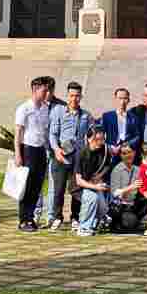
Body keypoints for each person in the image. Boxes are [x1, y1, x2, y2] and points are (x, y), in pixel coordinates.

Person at [45, 81, 91, 231]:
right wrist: (57, 150)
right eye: (71, 95)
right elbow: (52, 134)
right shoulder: (58, 112)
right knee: (58, 189)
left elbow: (92, 134)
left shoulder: (86, 115)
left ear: (81, 97)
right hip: (61, 156)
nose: (74, 99)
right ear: (67, 96)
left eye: (77, 96)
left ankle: (75, 217)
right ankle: (57, 217)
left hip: (78, 158)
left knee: (76, 188)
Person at [12, 76, 54, 231]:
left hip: (40, 149)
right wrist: (18, 154)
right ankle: (23, 220)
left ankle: (31, 217)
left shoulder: (45, 108)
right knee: (27, 185)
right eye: (44, 90)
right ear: (35, 90)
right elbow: (18, 133)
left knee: (37, 185)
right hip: (27, 148)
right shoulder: (24, 108)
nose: (46, 93)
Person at [71, 127, 116, 236]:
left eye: (102, 139)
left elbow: (107, 166)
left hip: (95, 184)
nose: (100, 142)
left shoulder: (105, 150)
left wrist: (99, 176)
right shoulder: (81, 154)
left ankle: (98, 221)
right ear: (89, 139)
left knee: (104, 209)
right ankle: (84, 227)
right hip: (80, 187)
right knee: (92, 198)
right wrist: (96, 187)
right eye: (97, 139)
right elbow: (79, 181)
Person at [108, 141, 146, 233]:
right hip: (121, 206)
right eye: (124, 153)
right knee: (130, 223)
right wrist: (131, 187)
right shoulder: (117, 170)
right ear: (121, 155)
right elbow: (115, 193)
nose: (128, 155)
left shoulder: (138, 169)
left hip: (134, 205)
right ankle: (125, 222)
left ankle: (136, 221)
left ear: (134, 153)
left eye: (130, 152)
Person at [101, 87, 143, 151]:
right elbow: (101, 134)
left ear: (128, 100)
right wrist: (109, 146)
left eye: (125, 98)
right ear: (115, 99)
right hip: (111, 150)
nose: (122, 101)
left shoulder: (134, 117)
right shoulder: (107, 116)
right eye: (120, 98)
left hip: (126, 150)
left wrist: (125, 145)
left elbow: (137, 136)